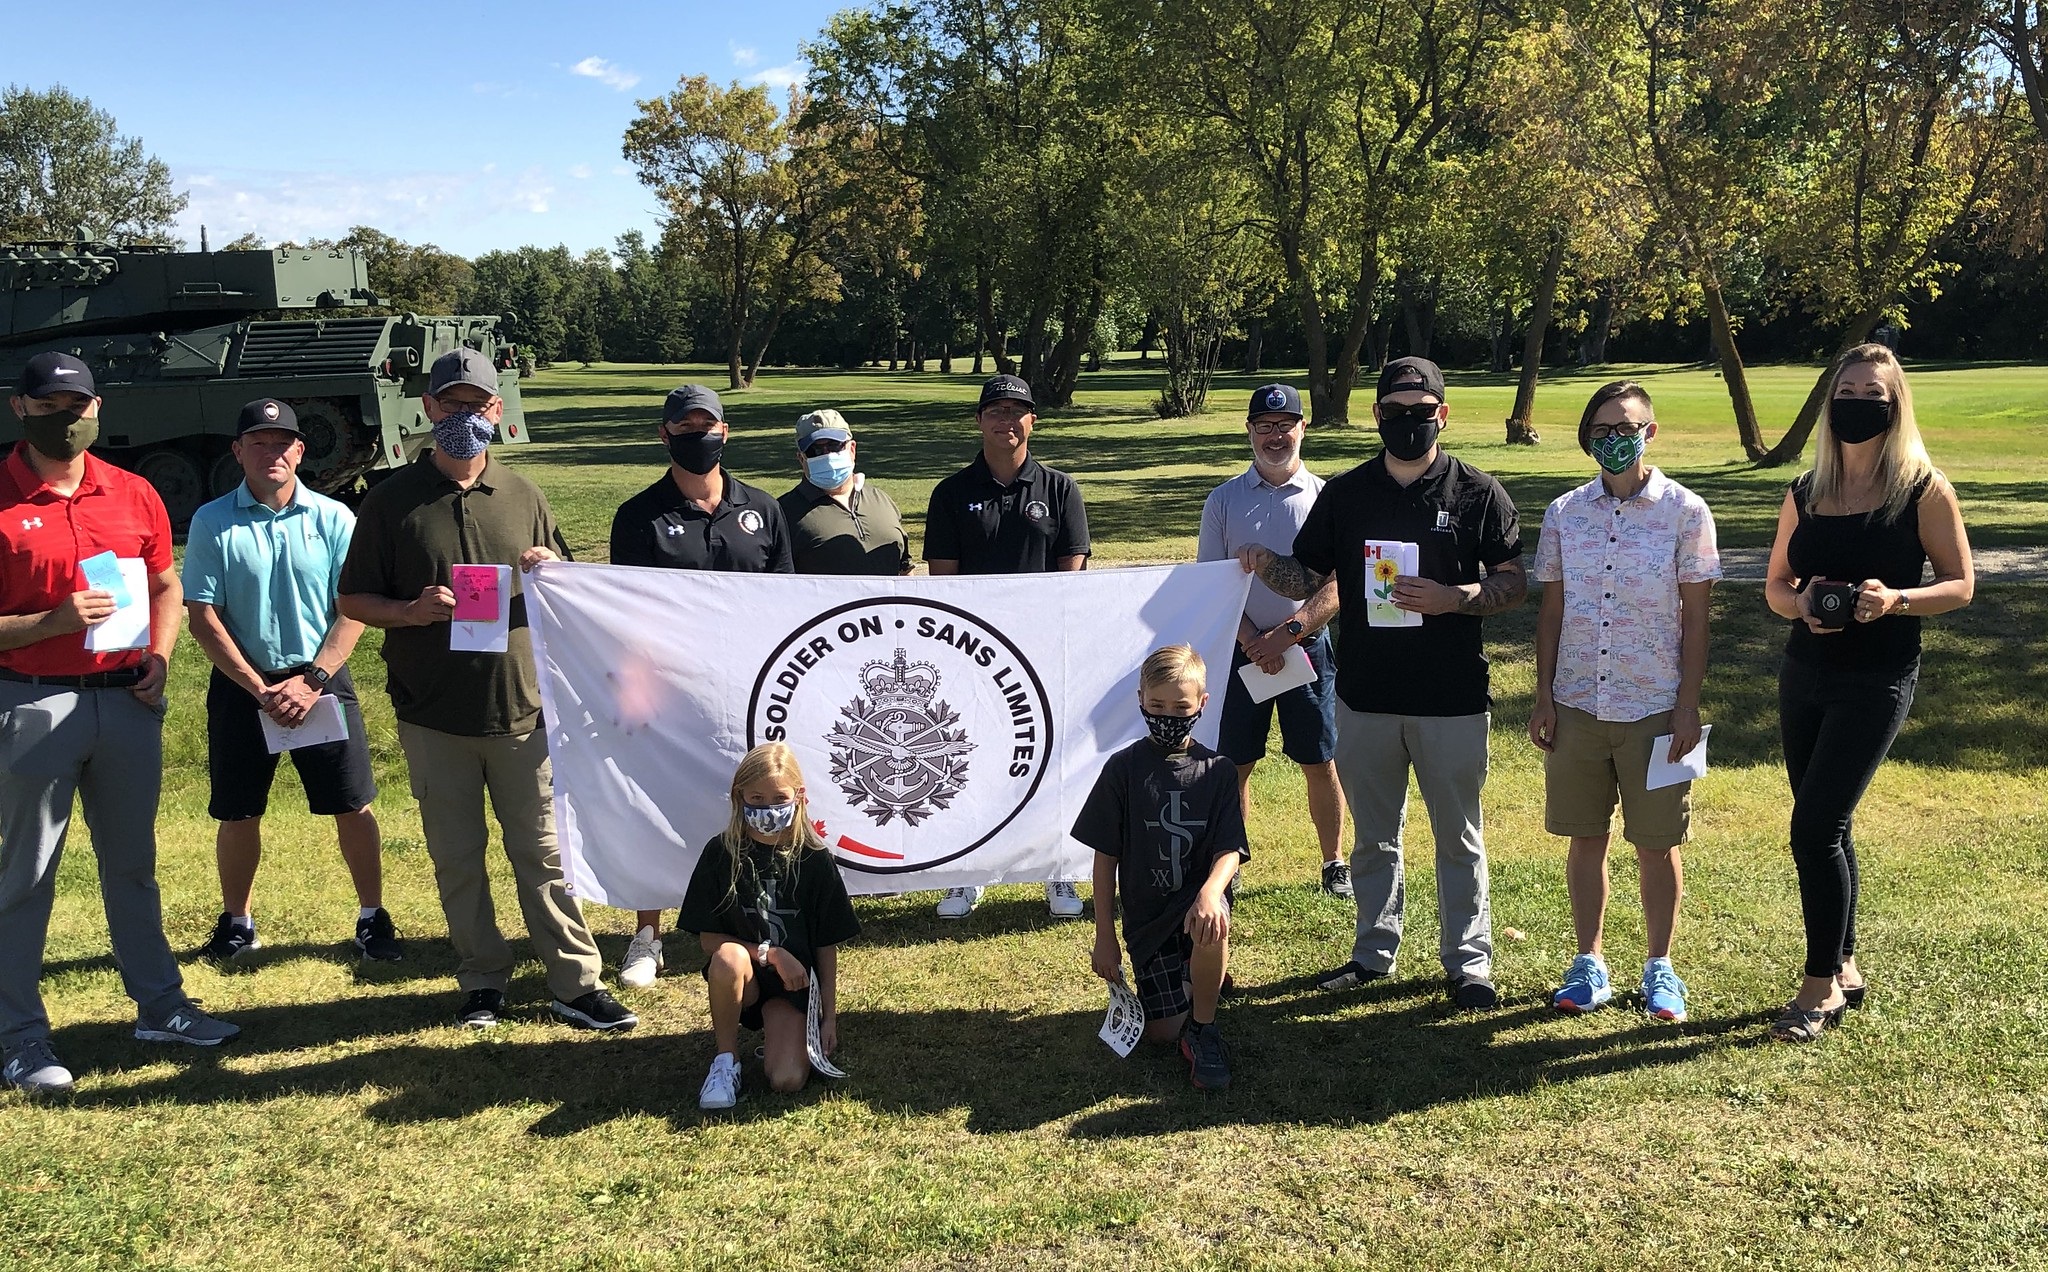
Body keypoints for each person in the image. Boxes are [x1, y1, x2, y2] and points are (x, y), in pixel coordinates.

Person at [338, 348, 633, 1032]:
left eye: (477, 406)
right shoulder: (389, 501)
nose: (462, 418)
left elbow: (567, 591)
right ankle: (480, 980)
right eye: (450, 405)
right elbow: (354, 599)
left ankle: (574, 982)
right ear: (428, 409)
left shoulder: (525, 495)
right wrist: (409, 611)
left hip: (523, 713)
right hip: (434, 713)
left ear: (497, 412)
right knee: (457, 858)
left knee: (544, 856)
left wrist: (554, 567)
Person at [1238, 357, 1526, 1010]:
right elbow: (1308, 578)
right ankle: (1373, 952)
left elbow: (1514, 581)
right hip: (1365, 697)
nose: (1407, 424)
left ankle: (1468, 964)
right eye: (1394, 413)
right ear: (1376, 417)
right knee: (1374, 839)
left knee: (1459, 838)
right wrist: (1261, 566)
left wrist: (1458, 597)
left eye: (1420, 414)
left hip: (1450, 699)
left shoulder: (1479, 493)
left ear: (1442, 416)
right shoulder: (1346, 494)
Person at [0, 352, 238, 1095]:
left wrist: (162, 658)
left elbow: (165, 583)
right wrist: (52, 621)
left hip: (126, 701)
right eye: (50, 406)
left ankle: (160, 1007)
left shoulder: (133, 491)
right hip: (31, 703)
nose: (67, 418)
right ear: (21, 409)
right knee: (25, 876)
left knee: (132, 866)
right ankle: (17, 1037)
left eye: (78, 404)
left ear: (98, 406)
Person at [1763, 343, 1973, 1043]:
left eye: (1872, 393)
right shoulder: (1805, 489)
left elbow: (1960, 585)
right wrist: (1805, 604)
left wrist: (1896, 599)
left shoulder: (1922, 488)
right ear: (1831, 402)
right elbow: (1775, 587)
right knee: (1832, 821)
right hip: (1806, 674)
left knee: (1813, 829)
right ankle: (1845, 961)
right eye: (1846, 390)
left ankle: (1817, 988)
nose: (1857, 402)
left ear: (1895, 404)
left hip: (1878, 678)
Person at [183, 398, 400, 965]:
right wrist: (259, 689)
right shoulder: (211, 521)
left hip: (320, 677)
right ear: (237, 451)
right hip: (243, 684)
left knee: (352, 804)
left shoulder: (334, 518)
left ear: (301, 450)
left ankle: (373, 916)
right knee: (237, 810)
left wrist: (313, 680)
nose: (271, 453)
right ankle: (237, 921)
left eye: (282, 443)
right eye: (258, 442)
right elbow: (203, 615)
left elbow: (351, 608)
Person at [1528, 381, 1720, 1023]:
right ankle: (1589, 963)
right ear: (1589, 439)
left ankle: (1660, 967)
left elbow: (1696, 617)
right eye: (1603, 429)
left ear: (1651, 432)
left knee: (1657, 842)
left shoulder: (1686, 513)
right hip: (1579, 700)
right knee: (1585, 839)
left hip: (1655, 707)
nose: (1616, 438)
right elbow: (1551, 611)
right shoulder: (1564, 514)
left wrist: (1686, 706)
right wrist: (1544, 695)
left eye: (1628, 426)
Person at [608, 383, 794, 987]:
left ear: (726, 430)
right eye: (684, 429)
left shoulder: (764, 509)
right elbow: (624, 612)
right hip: (668, 690)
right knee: (657, 802)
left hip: (751, 683)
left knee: (758, 797)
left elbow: (786, 605)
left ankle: (763, 918)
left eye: (706, 426)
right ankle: (647, 934)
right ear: (664, 436)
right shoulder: (638, 516)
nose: (698, 438)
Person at [925, 374, 1091, 919]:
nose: (1007, 420)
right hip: (972, 653)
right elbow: (944, 580)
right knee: (971, 758)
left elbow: (1073, 579)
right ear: (979, 421)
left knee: (1052, 760)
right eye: (995, 410)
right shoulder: (951, 493)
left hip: (1045, 651)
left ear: (1032, 421)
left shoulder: (1061, 490)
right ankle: (968, 870)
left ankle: (1059, 870)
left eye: (1018, 410)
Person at [1197, 382, 1348, 897]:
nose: (1275, 436)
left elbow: (1338, 585)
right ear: (1249, 433)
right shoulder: (1223, 500)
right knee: (1234, 763)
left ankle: (1334, 863)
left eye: (1285, 426)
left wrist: (1286, 635)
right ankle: (1230, 864)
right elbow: (1210, 585)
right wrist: (1252, 642)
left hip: (1306, 646)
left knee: (1318, 759)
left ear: (1303, 428)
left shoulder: (1329, 498)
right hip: (1241, 649)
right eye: (1265, 427)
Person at [1073, 645, 1247, 1090]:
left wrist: (1210, 892)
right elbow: (1104, 857)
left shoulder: (1220, 770)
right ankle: (1204, 981)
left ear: (1202, 705)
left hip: (1195, 907)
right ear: (1140, 701)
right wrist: (1105, 938)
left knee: (1212, 918)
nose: (1168, 715)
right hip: (1148, 918)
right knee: (1160, 1034)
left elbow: (1230, 848)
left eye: (1180, 707)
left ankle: (1205, 1029)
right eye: (1157, 706)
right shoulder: (1123, 770)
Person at [677, 742, 858, 1110]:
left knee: (787, 1080)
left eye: (779, 797)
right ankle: (726, 1061)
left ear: (799, 797)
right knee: (728, 957)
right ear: (738, 797)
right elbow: (709, 939)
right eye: (756, 798)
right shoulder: (721, 853)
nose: (767, 808)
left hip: (794, 987)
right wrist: (771, 953)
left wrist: (829, 1018)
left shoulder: (816, 859)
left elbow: (826, 945)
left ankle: (778, 1038)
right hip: (745, 977)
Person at [777, 408, 912, 576]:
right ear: (801, 458)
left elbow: (905, 569)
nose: (827, 455)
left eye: (834, 445)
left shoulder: (881, 500)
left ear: (852, 449)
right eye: (815, 450)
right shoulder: (782, 513)